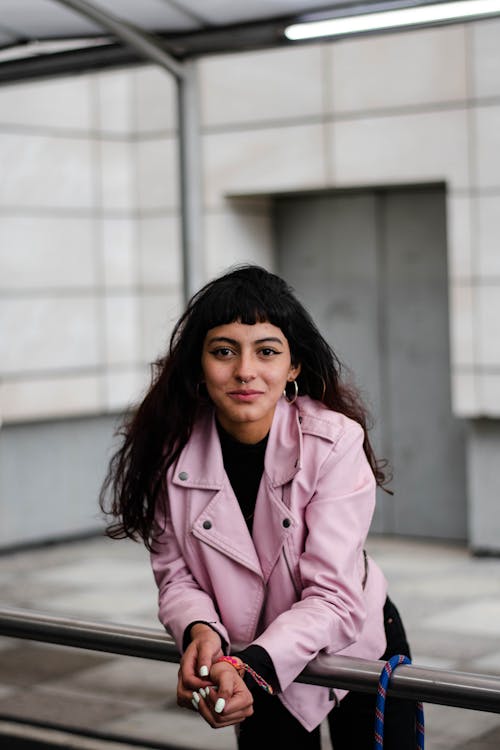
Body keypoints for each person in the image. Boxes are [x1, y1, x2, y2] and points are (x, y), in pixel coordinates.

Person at [100, 265, 417, 749]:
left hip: (353, 649)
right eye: (223, 351)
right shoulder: (171, 452)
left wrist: (252, 666)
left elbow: (334, 596)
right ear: (198, 367)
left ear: (293, 367)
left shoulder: (334, 442)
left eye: (266, 351)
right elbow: (176, 574)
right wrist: (199, 631)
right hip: (249, 661)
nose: (245, 370)